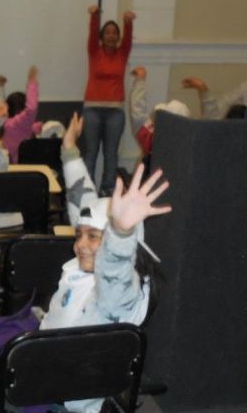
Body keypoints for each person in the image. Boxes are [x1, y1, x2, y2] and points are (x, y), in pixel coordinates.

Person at [39, 113, 170, 412]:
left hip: (65, 395)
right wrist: (70, 149)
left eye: (94, 237)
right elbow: (81, 200)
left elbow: (114, 270)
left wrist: (121, 232)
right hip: (46, 364)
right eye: (79, 235)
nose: (81, 244)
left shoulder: (118, 293)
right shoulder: (89, 264)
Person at [82, 5, 136, 196]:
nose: (111, 36)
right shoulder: (94, 52)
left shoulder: (122, 54)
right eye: (107, 33)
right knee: (90, 153)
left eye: (115, 33)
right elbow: (92, 32)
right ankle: (87, 191)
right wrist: (95, 15)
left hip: (115, 112)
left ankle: (107, 190)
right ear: (102, 36)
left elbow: (128, 39)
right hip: (92, 110)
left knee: (111, 154)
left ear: (118, 37)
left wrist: (128, 22)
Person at [128, 66, 190, 162]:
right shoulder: (189, 141)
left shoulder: (150, 139)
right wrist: (203, 89)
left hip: (153, 175)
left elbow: (137, 112)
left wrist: (140, 80)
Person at [0, 65, 39, 163]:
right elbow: (32, 108)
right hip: (19, 166)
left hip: (15, 166)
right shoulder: (17, 123)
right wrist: (31, 82)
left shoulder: (12, 124)